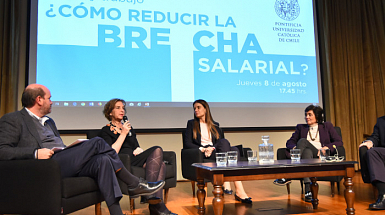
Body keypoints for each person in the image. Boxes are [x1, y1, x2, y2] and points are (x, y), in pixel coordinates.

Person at [0, 84, 165, 215]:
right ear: (39, 100)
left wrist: (69, 148)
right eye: (49, 98)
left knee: (103, 160)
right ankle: (133, 183)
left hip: (61, 159)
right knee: (98, 142)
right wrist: (35, 153)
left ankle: (117, 212)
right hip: (46, 167)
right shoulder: (13, 120)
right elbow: (2, 150)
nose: (52, 102)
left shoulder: (49, 121)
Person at [101, 98, 176, 215]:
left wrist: (138, 149)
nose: (122, 110)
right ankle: (155, 204)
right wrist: (123, 133)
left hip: (134, 158)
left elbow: (136, 146)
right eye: (118, 108)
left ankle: (154, 203)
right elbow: (112, 152)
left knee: (160, 163)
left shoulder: (129, 128)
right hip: (122, 161)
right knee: (157, 149)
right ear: (110, 112)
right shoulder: (106, 130)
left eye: (123, 108)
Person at [183, 99, 252, 204]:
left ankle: (236, 187)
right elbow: (187, 143)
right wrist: (203, 149)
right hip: (202, 153)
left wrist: (212, 148)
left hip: (215, 151)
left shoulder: (215, 125)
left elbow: (221, 143)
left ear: (205, 109)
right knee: (231, 148)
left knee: (233, 149)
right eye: (194, 108)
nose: (196, 110)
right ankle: (234, 187)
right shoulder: (191, 124)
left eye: (198, 107)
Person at [273, 105, 343, 202]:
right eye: (306, 115)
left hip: (320, 155)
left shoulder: (327, 126)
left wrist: (327, 147)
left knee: (302, 141)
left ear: (317, 116)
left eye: (310, 115)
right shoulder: (301, 128)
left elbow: (339, 142)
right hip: (307, 155)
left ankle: (289, 175)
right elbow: (290, 142)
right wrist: (296, 149)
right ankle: (308, 192)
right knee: (306, 151)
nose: (307, 117)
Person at [359, 116, 385, 210]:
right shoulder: (381, 121)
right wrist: (370, 142)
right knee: (371, 152)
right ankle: (383, 196)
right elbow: (375, 137)